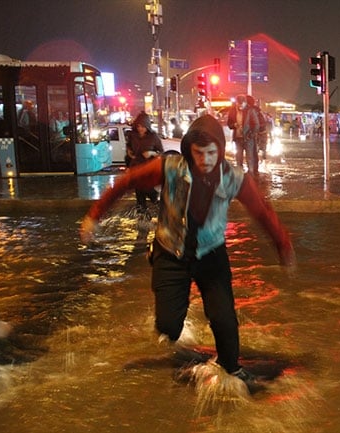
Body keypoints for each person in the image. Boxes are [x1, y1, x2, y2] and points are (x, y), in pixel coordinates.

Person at [80, 115, 295, 385]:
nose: (205, 160)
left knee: (224, 319)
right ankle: (162, 286)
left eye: (211, 153)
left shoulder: (234, 178)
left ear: (220, 150)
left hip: (211, 255)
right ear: (189, 152)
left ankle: (231, 367)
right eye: (199, 153)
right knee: (168, 329)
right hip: (171, 252)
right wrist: (93, 216)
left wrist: (282, 245)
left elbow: (262, 212)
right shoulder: (169, 168)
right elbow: (126, 182)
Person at [126, 111, 163, 210]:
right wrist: (129, 152)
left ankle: (155, 198)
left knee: (146, 187)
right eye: (138, 126)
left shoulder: (153, 137)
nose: (140, 129)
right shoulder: (133, 136)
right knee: (139, 190)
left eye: (142, 126)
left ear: (147, 126)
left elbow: (162, 152)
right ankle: (142, 212)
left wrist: (151, 153)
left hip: (148, 167)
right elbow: (129, 145)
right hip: (136, 166)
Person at [227, 95, 247, 170]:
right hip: (238, 137)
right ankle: (240, 171)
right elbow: (229, 124)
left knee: (250, 156)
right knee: (239, 155)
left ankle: (251, 174)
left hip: (248, 137)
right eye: (238, 104)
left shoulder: (249, 111)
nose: (240, 106)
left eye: (241, 104)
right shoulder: (233, 111)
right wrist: (234, 125)